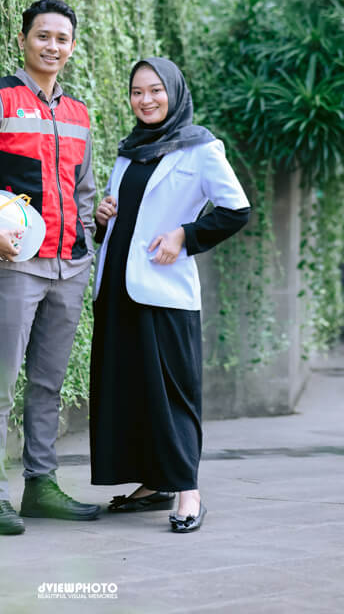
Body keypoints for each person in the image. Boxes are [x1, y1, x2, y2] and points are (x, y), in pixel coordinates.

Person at [0, 0, 100, 535]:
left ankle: (41, 487)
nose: (52, 46)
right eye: (42, 36)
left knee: (49, 385)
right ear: (23, 40)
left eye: (62, 38)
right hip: (15, 265)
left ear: (72, 47)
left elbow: (83, 190)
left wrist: (87, 241)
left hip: (68, 267)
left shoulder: (78, 114)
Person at [89, 57, 250, 533]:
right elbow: (128, 216)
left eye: (156, 90)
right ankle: (155, 483)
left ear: (174, 93)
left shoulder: (201, 148)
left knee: (173, 392)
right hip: (118, 287)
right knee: (132, 390)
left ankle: (187, 491)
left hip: (165, 291)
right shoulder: (129, 151)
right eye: (137, 91)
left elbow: (235, 209)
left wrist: (184, 235)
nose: (146, 100)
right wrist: (103, 218)